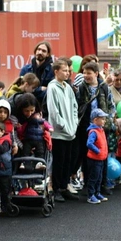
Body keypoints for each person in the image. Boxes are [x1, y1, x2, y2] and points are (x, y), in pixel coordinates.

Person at [75, 61, 114, 196]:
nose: (86, 76)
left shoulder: (104, 87)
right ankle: (88, 184)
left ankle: (102, 184)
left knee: (103, 155)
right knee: (88, 156)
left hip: (102, 128)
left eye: (89, 73)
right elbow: (77, 105)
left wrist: (108, 120)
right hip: (86, 127)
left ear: (96, 74)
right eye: (84, 73)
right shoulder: (81, 87)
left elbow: (111, 105)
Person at [46, 60, 79, 204]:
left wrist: (74, 123)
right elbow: (53, 112)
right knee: (59, 162)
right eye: (64, 70)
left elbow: (74, 107)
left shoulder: (68, 87)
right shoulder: (52, 87)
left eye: (68, 70)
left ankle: (65, 187)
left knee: (68, 161)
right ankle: (57, 188)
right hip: (59, 133)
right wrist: (64, 126)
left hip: (71, 132)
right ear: (56, 71)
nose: (67, 73)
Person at [14, 93, 51, 170]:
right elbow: (18, 133)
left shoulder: (37, 116)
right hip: (23, 141)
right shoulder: (16, 117)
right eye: (26, 111)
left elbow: (45, 125)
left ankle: (39, 165)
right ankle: (24, 164)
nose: (29, 113)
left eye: (32, 110)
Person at [85, 108, 109, 204]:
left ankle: (97, 192)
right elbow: (89, 143)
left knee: (99, 177)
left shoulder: (100, 130)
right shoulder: (94, 131)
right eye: (102, 119)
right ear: (95, 120)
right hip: (95, 159)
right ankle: (91, 195)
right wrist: (97, 151)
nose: (104, 121)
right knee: (94, 177)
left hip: (100, 158)